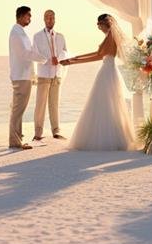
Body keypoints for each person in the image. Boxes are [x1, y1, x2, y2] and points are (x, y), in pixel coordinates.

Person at [61, 14, 137, 151]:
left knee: (105, 103)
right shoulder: (109, 37)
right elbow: (97, 53)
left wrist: (72, 62)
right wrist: (74, 58)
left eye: (99, 24)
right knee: (106, 103)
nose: (98, 27)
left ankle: (108, 138)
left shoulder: (111, 38)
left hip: (107, 72)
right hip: (108, 70)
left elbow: (97, 56)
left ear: (105, 23)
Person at [8, 5, 41, 150]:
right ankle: (14, 141)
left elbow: (29, 52)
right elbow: (24, 54)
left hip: (24, 75)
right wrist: (43, 59)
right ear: (21, 16)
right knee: (18, 109)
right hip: (21, 76)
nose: (30, 18)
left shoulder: (20, 32)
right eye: (28, 15)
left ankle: (17, 138)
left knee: (19, 109)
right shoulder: (16, 33)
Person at [32, 10, 68, 141]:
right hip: (43, 74)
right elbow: (35, 54)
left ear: (55, 19)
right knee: (40, 105)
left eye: (52, 18)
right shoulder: (37, 36)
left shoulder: (60, 36)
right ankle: (38, 133)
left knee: (54, 104)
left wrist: (58, 59)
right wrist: (48, 60)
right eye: (47, 18)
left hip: (56, 74)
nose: (50, 20)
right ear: (43, 19)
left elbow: (65, 51)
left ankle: (56, 131)